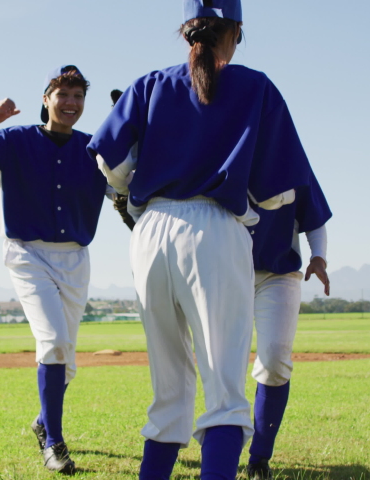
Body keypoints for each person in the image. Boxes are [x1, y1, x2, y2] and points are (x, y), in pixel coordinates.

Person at [88, 1, 314, 478]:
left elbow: (107, 164)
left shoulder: (151, 83)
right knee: (226, 393)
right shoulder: (255, 86)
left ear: (186, 32)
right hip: (214, 229)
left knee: (169, 391)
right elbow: (280, 193)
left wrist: (135, 195)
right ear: (236, 32)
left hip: (150, 233)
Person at [0, 65, 108, 474]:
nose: (70, 102)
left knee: (66, 359)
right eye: (63, 94)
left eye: (77, 96)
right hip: (26, 252)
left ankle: (43, 422)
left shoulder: (93, 149)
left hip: (75, 258)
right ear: (46, 98)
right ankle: (54, 443)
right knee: (53, 341)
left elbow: (129, 189)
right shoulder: (14, 140)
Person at [245, 181, 331, 480]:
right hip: (226, 269)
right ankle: (222, 449)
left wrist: (318, 256)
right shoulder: (224, 144)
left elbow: (314, 216)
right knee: (223, 363)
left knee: (274, 360)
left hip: (280, 273)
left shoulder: (291, 157)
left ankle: (259, 458)